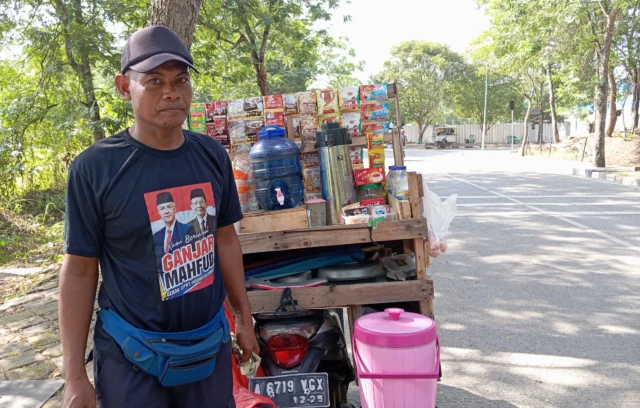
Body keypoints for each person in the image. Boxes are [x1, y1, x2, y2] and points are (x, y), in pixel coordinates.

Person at [59, 25, 259, 408]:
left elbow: (225, 239)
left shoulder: (211, 156)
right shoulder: (94, 168)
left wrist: (244, 319)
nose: (171, 92)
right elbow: (80, 269)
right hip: (131, 354)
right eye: (153, 81)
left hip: (206, 347)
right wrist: (73, 373)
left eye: (180, 80)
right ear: (124, 87)